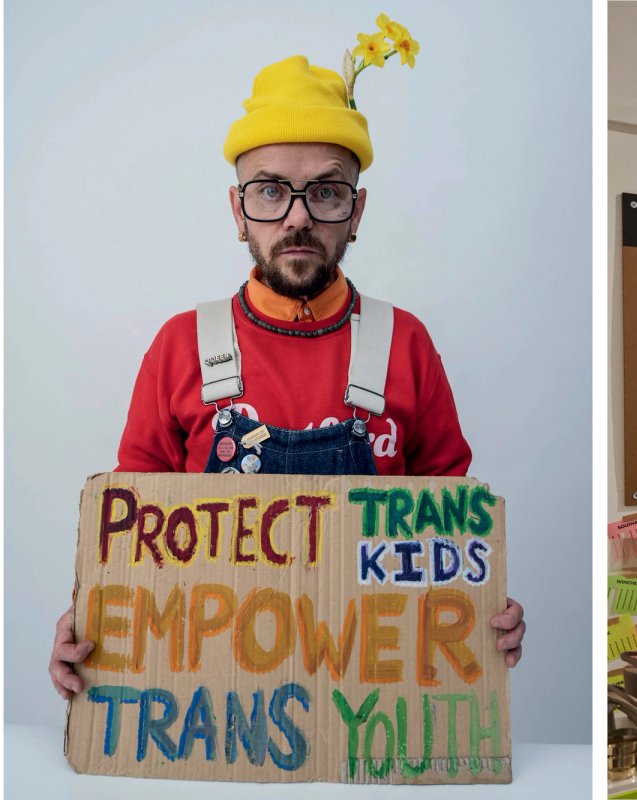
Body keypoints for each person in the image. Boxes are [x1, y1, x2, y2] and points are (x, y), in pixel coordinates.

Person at [49, 55, 525, 700]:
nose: (297, 216)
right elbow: (132, 534)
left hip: (369, 700)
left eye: (325, 191)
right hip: (212, 700)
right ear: (238, 210)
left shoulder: (404, 342)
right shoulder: (181, 346)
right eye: (271, 190)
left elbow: (453, 526)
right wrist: (99, 620)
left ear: (355, 213)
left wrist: (481, 606)